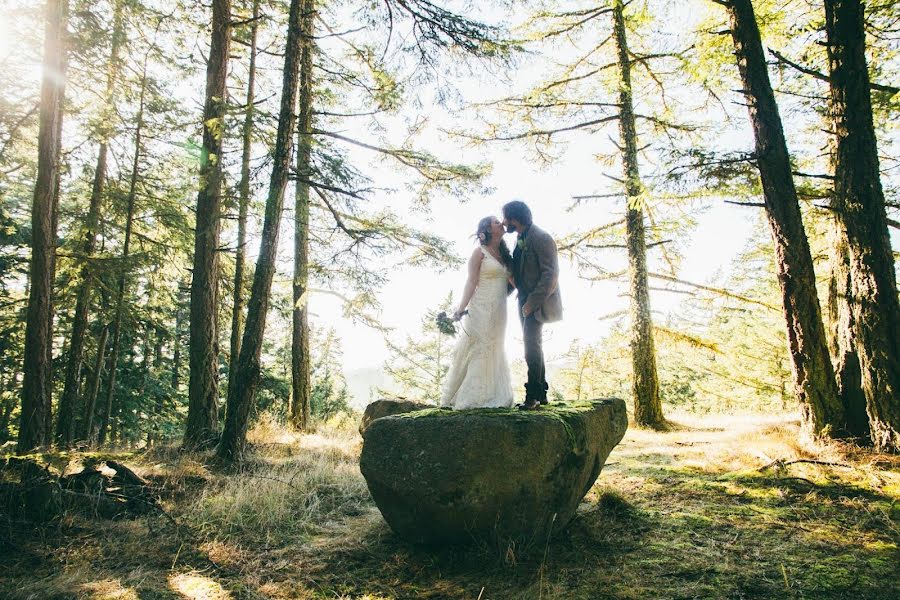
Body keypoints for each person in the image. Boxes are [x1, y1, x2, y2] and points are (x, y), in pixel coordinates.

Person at [440, 216, 515, 409]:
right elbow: (471, 282)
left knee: (494, 347)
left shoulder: (505, 255)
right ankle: (472, 396)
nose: (501, 224)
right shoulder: (479, 253)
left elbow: (514, 282)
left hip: (499, 310)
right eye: (496, 222)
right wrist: (460, 308)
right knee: (479, 347)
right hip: (480, 307)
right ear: (487, 230)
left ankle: (492, 393)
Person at [502, 200, 562, 410]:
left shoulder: (541, 237)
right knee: (534, 345)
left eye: (506, 217)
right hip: (524, 300)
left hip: (538, 302)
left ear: (515, 218)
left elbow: (551, 275)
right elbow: (518, 272)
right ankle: (542, 393)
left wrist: (531, 303)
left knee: (531, 348)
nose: (504, 222)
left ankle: (532, 397)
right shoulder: (521, 238)